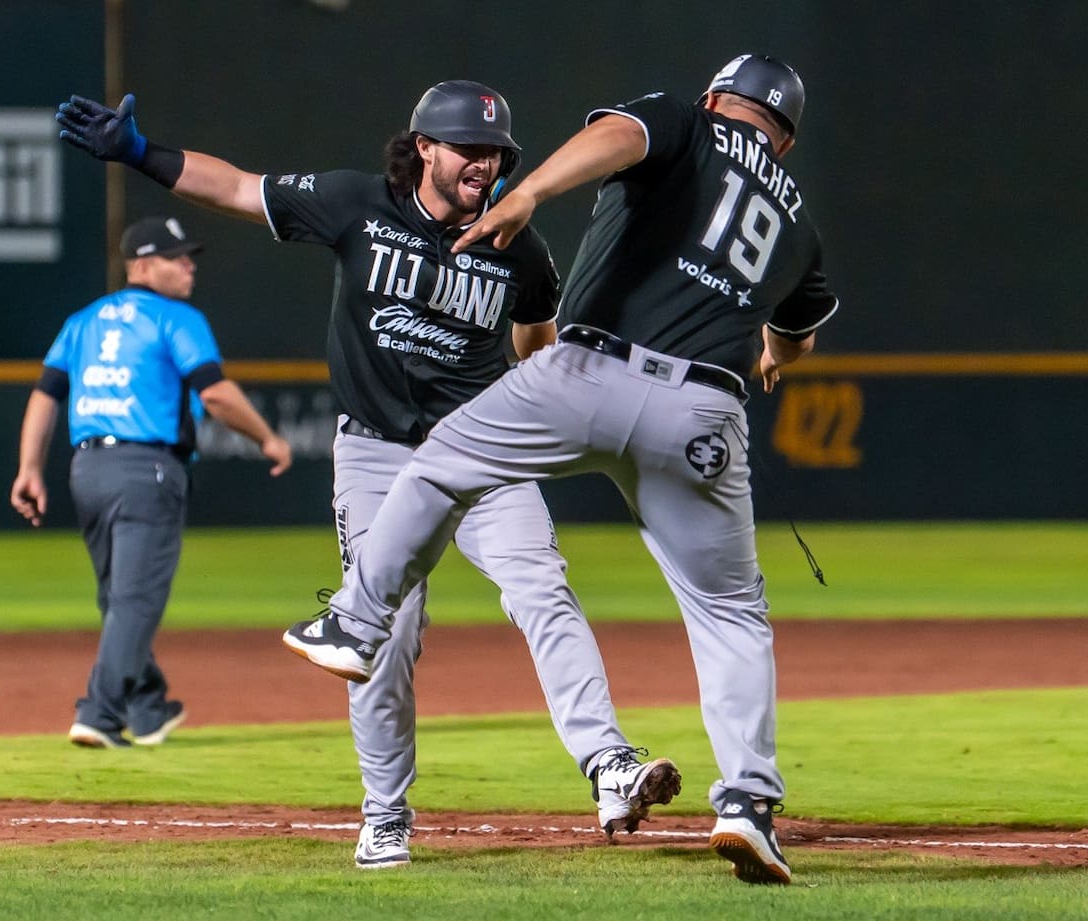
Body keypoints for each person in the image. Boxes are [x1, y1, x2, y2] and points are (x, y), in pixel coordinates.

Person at [54, 81, 681, 867]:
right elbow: (243, 190)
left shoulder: (517, 244)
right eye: (468, 149)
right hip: (380, 454)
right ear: (424, 148)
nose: (484, 165)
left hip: (483, 448)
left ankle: (609, 764)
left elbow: (536, 340)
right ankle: (385, 811)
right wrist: (140, 155)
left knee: (543, 590)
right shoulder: (356, 204)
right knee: (385, 633)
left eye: (496, 153)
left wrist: (554, 407)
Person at [278, 54, 840, 885]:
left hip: (591, 373)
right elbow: (799, 334)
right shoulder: (796, 220)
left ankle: (358, 621)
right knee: (730, 612)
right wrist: (769, 349)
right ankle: (749, 805)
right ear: (785, 141)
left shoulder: (687, 123)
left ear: (718, 98)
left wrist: (534, 190)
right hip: (706, 412)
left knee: (435, 463)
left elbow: (616, 137)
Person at [10, 216, 293, 749]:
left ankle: (147, 706)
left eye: (189, 256)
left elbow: (46, 393)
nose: (189, 267)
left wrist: (28, 467)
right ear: (142, 265)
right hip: (148, 469)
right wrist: (268, 439)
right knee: (136, 601)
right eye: (176, 257)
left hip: (87, 469)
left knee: (118, 596)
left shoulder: (85, 320)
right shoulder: (176, 318)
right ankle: (99, 713)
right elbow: (215, 394)